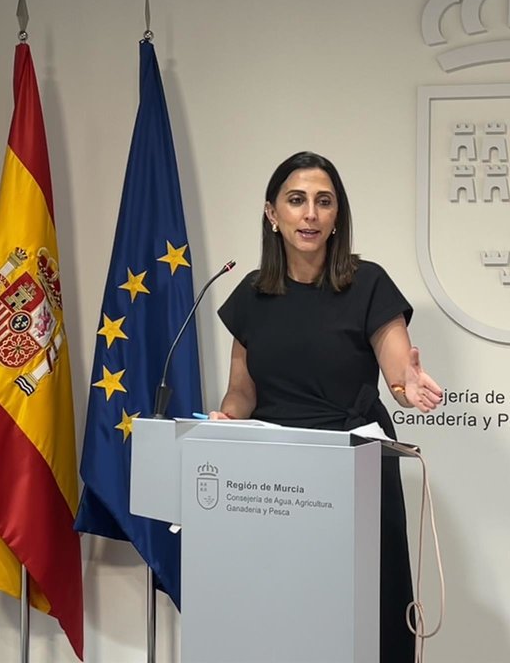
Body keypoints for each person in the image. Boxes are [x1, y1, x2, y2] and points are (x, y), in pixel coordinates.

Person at [211, 151, 443, 661]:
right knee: (285, 620)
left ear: (338, 215)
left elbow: (399, 376)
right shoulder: (252, 293)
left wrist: (410, 384)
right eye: (296, 201)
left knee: (363, 621)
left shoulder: (368, 283)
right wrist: (225, 421)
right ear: (272, 213)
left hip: (354, 469)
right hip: (275, 482)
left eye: (324, 202)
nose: (310, 214)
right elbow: (243, 392)